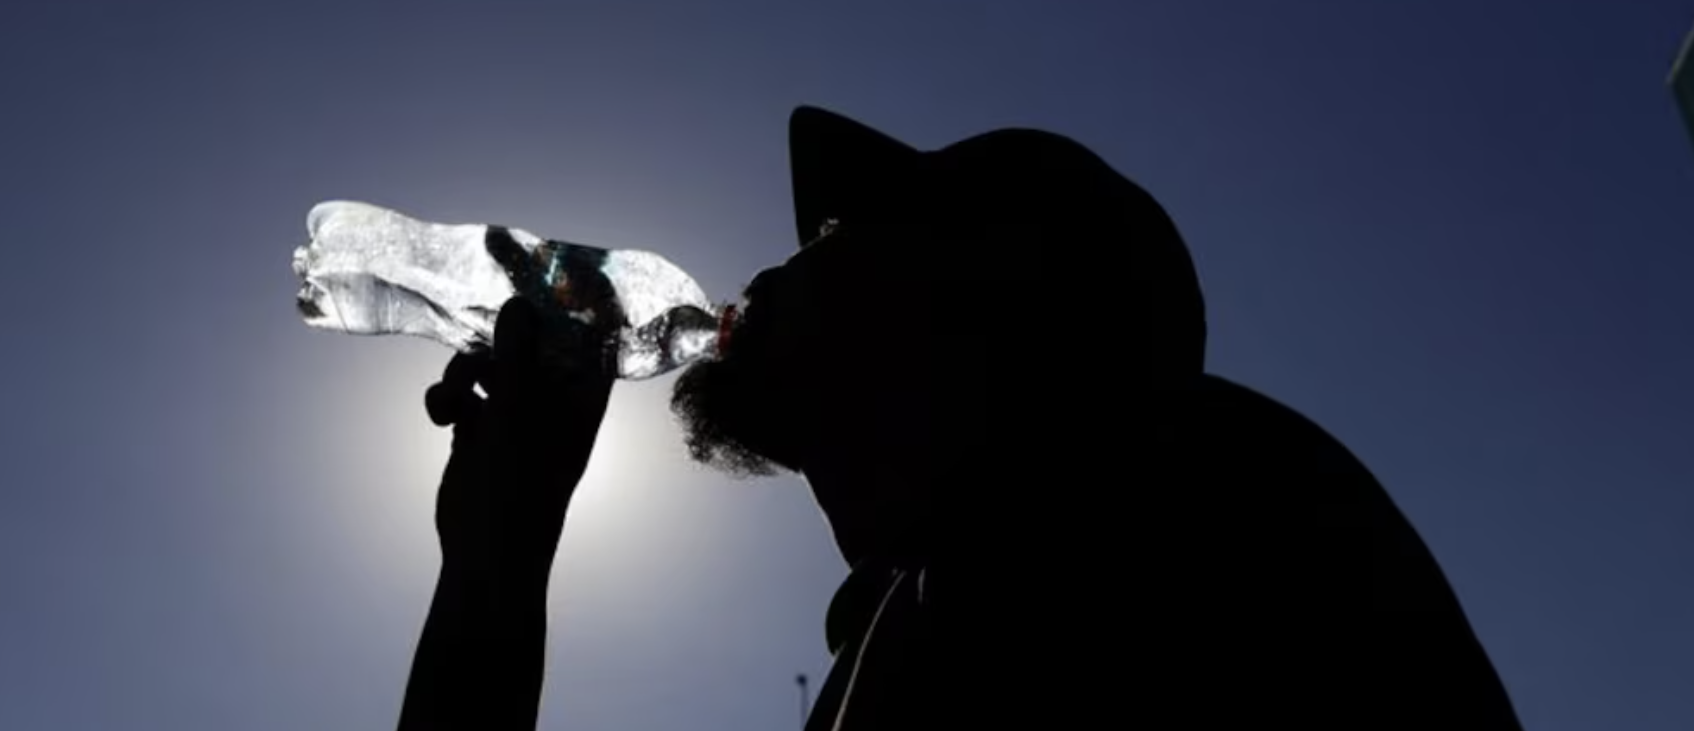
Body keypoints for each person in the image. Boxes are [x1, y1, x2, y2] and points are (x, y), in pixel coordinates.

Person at [396, 106, 1526, 730]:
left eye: (833, 237)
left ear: (997, 295)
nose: (772, 268)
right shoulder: (922, 608)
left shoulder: (1192, 511)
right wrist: (500, 556)